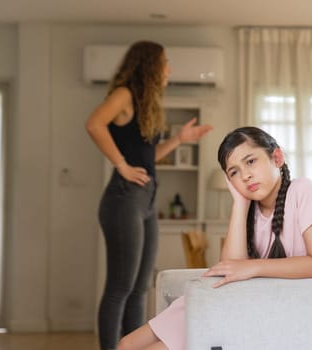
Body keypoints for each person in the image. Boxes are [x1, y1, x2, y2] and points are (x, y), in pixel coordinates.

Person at [116, 126, 312, 350]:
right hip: (221, 300)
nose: (245, 175)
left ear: (277, 157)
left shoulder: (303, 190)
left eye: (250, 162)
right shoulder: (250, 209)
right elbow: (230, 266)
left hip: (250, 308)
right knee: (125, 344)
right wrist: (240, 203)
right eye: (234, 172)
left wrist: (254, 267)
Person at [85, 40, 214, 350]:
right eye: (165, 62)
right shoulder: (124, 93)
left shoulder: (147, 104)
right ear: (149, 66)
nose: (169, 69)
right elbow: (94, 124)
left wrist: (179, 139)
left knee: (140, 287)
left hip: (146, 200)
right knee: (120, 287)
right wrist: (121, 165)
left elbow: (148, 157)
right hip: (123, 199)